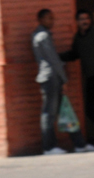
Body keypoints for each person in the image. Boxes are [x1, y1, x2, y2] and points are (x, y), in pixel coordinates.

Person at [34, 8, 93, 154]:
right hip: (56, 77)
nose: (52, 21)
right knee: (51, 113)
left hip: (53, 77)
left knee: (64, 112)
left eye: (86, 19)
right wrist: (62, 73)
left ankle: (79, 144)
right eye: (49, 18)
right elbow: (62, 57)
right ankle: (53, 146)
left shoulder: (41, 35)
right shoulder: (44, 36)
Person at [60, 10, 94, 135]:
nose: (85, 21)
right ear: (77, 22)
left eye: (87, 18)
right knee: (90, 110)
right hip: (90, 77)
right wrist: (56, 57)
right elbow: (74, 54)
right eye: (81, 19)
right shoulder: (78, 38)